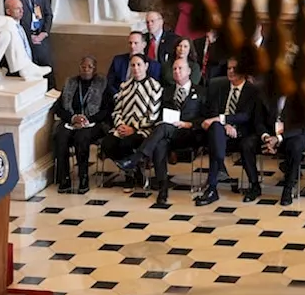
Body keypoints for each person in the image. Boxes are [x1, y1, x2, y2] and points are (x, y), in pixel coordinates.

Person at [114, 57, 205, 202]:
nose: (176, 71)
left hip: (190, 133)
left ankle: (137, 158)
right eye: (174, 69)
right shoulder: (166, 92)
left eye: (180, 68)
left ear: (189, 71)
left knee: (161, 132)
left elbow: (206, 117)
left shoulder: (201, 91)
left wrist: (189, 124)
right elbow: (157, 114)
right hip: (169, 131)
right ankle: (163, 189)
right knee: (160, 142)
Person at [195, 56, 263, 206]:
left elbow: (246, 116)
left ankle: (254, 185)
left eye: (235, 68)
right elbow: (212, 111)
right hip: (222, 131)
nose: (231, 71)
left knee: (244, 144)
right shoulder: (219, 86)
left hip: (243, 132)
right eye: (229, 68)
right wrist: (224, 124)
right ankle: (212, 189)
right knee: (216, 131)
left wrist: (224, 120)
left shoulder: (252, 90)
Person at [100, 54, 163, 188]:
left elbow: (153, 115)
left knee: (126, 143)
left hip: (143, 129)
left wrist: (133, 128)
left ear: (146, 66)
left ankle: (130, 175)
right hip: (123, 127)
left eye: (139, 65)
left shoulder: (155, 87)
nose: (136, 68)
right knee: (107, 144)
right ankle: (133, 170)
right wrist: (120, 125)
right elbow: (117, 110)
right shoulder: (125, 86)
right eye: (133, 65)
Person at [52, 56, 109, 194]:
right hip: (71, 121)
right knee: (60, 136)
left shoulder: (101, 84)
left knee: (81, 137)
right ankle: (64, 178)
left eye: (90, 67)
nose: (86, 70)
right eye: (83, 67)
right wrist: (73, 118)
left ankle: (83, 177)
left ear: (94, 69)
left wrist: (87, 120)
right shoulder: (70, 82)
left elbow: (106, 109)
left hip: (93, 123)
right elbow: (58, 107)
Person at [3, 0, 54, 78]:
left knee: (48, 71)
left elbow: (48, 14)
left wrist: (44, 33)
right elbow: (11, 17)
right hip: (24, 38)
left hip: (41, 38)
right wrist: (27, 35)